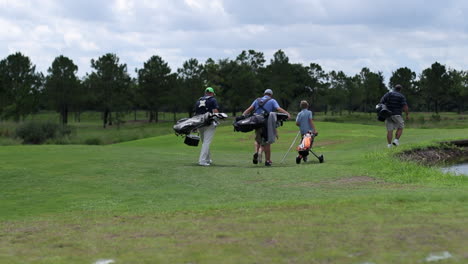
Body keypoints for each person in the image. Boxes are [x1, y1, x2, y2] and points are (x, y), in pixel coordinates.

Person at [242, 89, 290, 166]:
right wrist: (287, 113)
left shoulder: (257, 100)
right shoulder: (272, 101)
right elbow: (278, 109)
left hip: (257, 122)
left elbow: (249, 109)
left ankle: (256, 152)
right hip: (267, 123)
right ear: (271, 95)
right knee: (267, 142)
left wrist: (242, 116)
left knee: (257, 139)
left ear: (264, 94)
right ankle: (267, 161)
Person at [194, 87, 219, 166]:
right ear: (211, 93)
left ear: (205, 93)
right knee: (206, 142)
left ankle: (208, 159)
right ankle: (202, 161)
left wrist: (195, 126)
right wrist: (217, 119)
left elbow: (196, 113)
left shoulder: (198, 100)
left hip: (200, 122)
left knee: (204, 142)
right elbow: (215, 112)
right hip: (209, 122)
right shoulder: (212, 100)